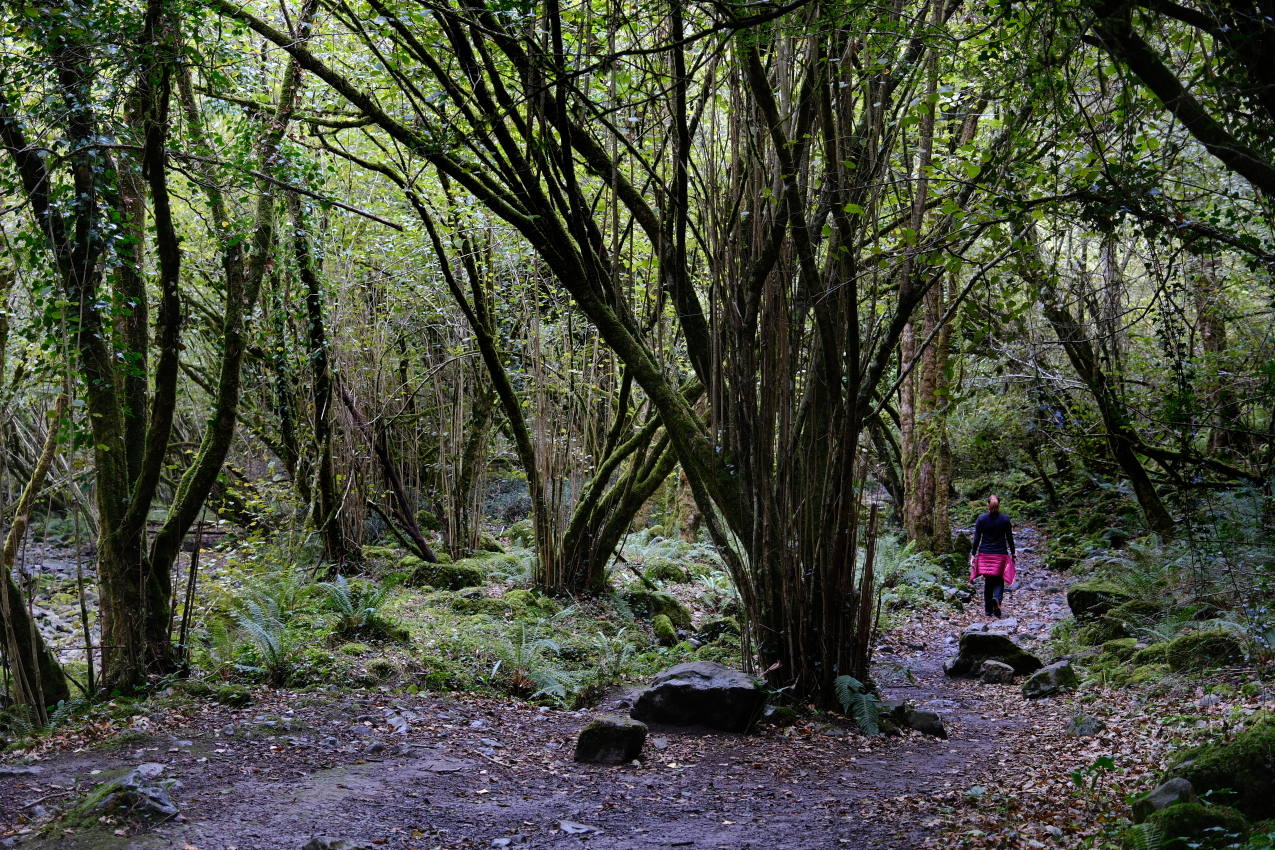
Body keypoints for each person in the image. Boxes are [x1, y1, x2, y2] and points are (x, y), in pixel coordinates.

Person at [969, 494, 1016, 618]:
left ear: (987, 505)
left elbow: (977, 539)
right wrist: (1013, 553)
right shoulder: (1005, 519)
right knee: (999, 580)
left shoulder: (981, 519)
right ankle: (997, 599)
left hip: (985, 555)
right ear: (998, 505)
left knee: (988, 581)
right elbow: (1009, 538)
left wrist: (973, 555)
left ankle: (988, 611)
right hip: (1000, 554)